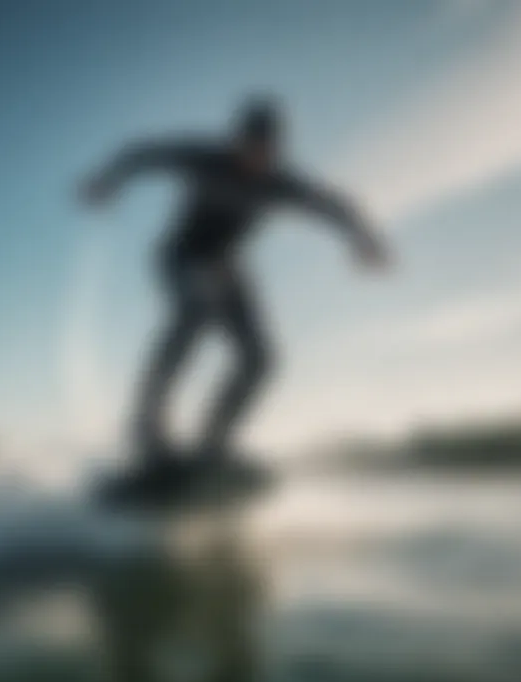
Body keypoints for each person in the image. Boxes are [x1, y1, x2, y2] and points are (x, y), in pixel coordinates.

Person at [82, 96, 390, 479]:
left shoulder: (279, 182)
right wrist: (109, 178)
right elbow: (146, 153)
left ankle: (213, 444)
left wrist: (364, 239)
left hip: (227, 269)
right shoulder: (206, 158)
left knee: (260, 357)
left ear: (276, 150)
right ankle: (147, 430)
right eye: (249, 147)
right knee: (196, 309)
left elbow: (333, 205)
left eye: (265, 151)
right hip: (180, 256)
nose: (256, 159)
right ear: (236, 141)